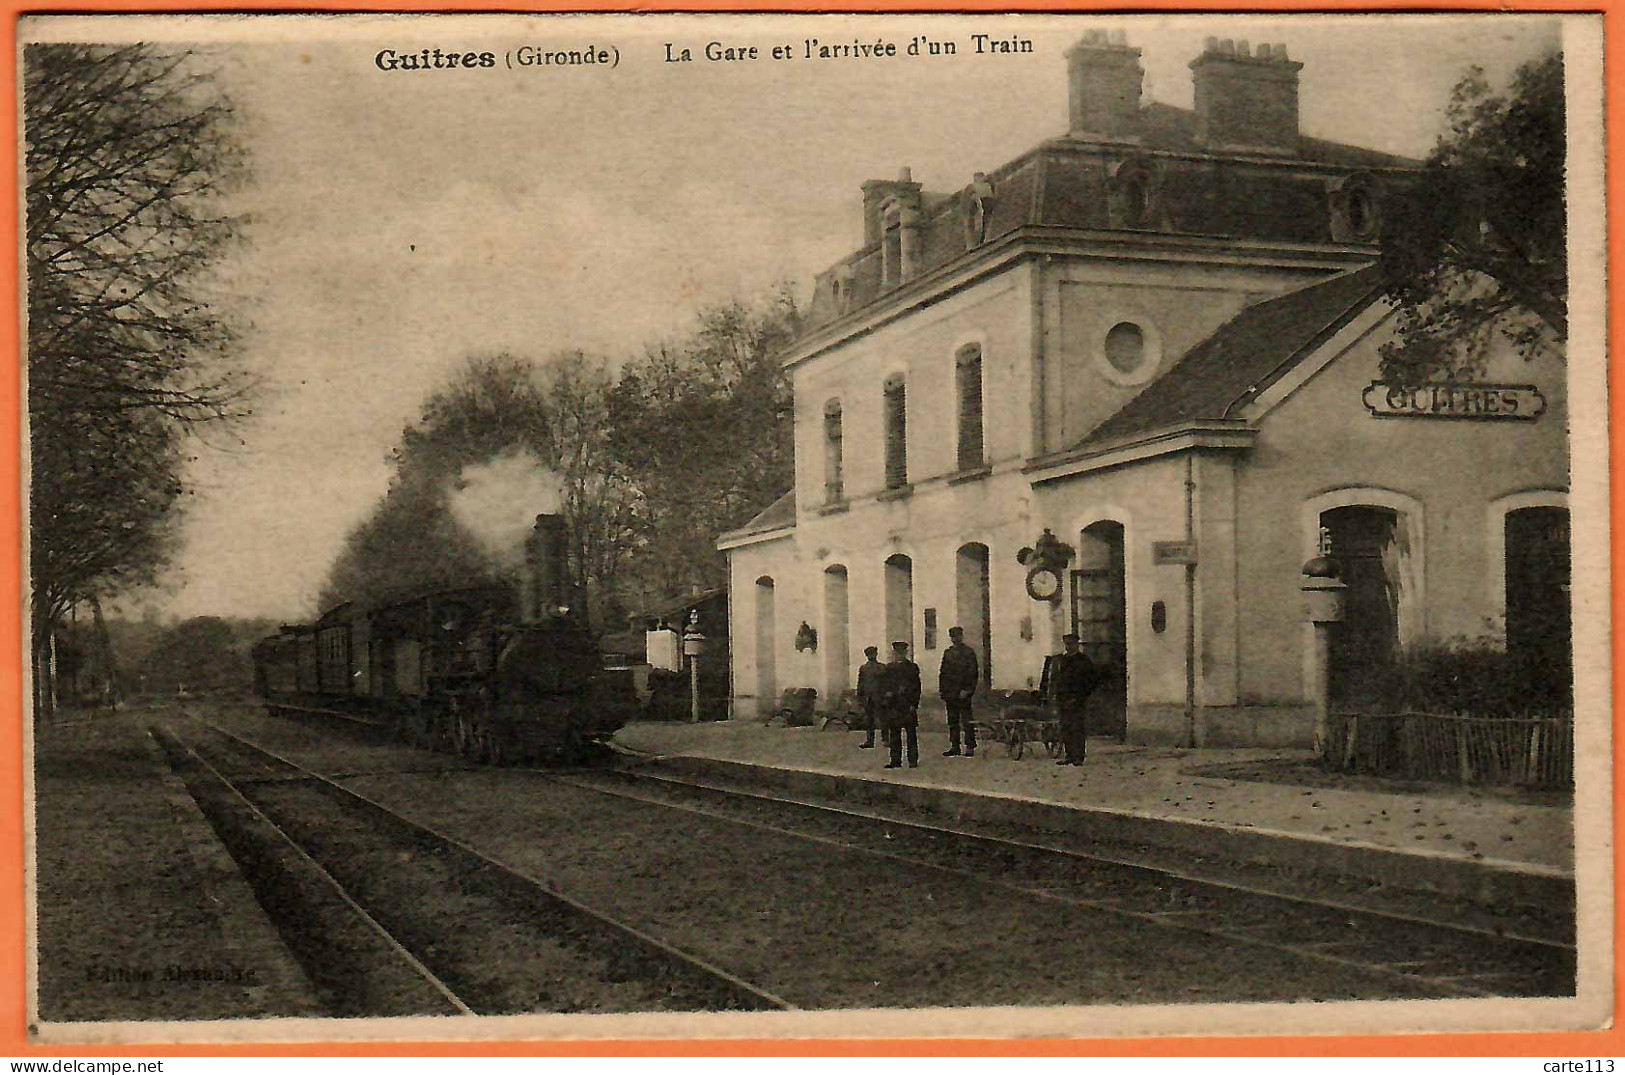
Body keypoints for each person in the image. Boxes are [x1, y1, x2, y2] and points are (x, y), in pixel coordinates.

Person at [1049, 633, 1100, 766]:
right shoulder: (1063, 660)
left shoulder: (1084, 661)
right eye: (1066, 644)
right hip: (1063, 700)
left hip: (1077, 700)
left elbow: (1092, 681)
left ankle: (1079, 757)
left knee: (1077, 728)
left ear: (1077, 644)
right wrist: (1057, 695)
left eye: (1071, 644)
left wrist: (1081, 696)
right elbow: (1058, 679)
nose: (1068, 647)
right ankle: (1069, 755)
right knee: (1066, 728)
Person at [938, 626, 980, 757]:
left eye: (958, 636)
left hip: (963, 692)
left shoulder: (968, 652)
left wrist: (967, 690)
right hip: (950, 692)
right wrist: (943, 691)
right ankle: (955, 746)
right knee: (952, 720)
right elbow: (943, 673)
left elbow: (973, 673)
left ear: (962, 636)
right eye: (953, 637)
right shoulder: (948, 653)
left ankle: (970, 746)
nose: (956, 639)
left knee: (967, 720)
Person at [880, 640, 921, 769]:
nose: (899, 655)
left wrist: (914, 704)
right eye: (897, 652)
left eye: (902, 652)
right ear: (894, 653)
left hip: (908, 704)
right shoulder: (889, 668)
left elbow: (916, 687)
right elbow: (884, 685)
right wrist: (887, 695)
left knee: (911, 734)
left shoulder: (912, 668)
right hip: (894, 705)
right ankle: (895, 760)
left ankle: (912, 760)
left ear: (906, 652)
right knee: (894, 734)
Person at [855, 645, 885, 749]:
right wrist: (859, 697)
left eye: (873, 654)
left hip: (880, 697)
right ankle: (870, 740)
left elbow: (886, 683)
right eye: (869, 654)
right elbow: (860, 683)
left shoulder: (882, 668)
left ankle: (886, 739)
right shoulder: (863, 668)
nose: (871, 656)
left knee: (883, 718)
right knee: (869, 720)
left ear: (876, 654)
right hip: (868, 697)